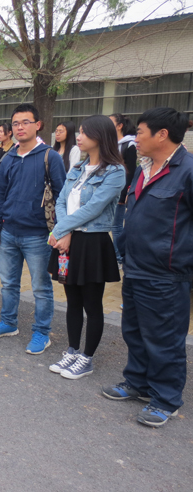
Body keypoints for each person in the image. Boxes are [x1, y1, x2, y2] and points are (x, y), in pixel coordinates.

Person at [102, 107, 193, 428]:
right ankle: (137, 382)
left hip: (167, 274)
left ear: (162, 134)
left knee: (164, 338)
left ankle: (166, 399)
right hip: (136, 267)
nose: (135, 138)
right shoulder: (144, 168)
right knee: (135, 331)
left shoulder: (187, 171)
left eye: (140, 132)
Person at [46, 116, 125, 380]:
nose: (78, 137)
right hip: (69, 240)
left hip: (92, 243)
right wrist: (64, 231)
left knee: (92, 303)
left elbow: (94, 208)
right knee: (72, 301)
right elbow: (61, 201)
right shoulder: (78, 167)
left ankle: (87, 357)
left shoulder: (115, 172)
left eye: (84, 133)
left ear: (100, 136)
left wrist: (60, 230)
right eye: (78, 132)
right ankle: (72, 350)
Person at [0, 103, 66, 354]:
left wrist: (59, 231)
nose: (20, 127)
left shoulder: (49, 157)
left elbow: (62, 196)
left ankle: (42, 332)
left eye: (25, 122)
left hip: (38, 235)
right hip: (9, 232)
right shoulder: (8, 157)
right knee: (8, 283)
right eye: (16, 123)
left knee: (40, 288)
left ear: (38, 125)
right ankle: (8, 322)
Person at [109, 113, 137, 266]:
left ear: (119, 126)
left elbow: (130, 172)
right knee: (113, 225)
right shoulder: (112, 143)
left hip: (120, 192)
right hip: (110, 190)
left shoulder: (130, 144)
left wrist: (124, 194)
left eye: (110, 122)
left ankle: (119, 257)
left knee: (116, 226)